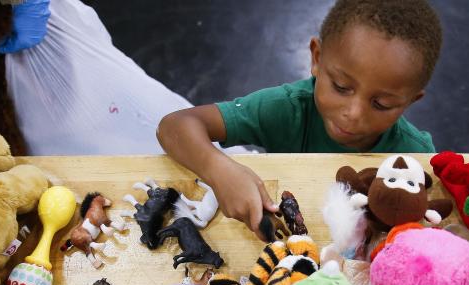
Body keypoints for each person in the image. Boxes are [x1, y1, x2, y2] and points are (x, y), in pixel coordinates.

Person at [157, 0, 442, 240]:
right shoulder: (286, 109)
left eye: (381, 104)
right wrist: (220, 171)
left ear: (409, 102)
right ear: (317, 58)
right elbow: (175, 126)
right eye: (341, 87)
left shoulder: (414, 155)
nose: (353, 113)